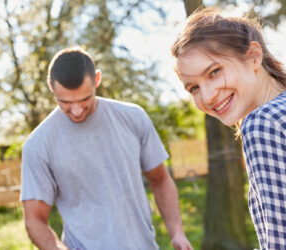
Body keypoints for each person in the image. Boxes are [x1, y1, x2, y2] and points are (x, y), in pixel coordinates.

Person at [171, 7, 286, 249]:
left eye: (214, 72)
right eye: (193, 88)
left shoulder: (264, 123)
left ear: (253, 57)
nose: (207, 97)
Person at [20, 47, 193, 250]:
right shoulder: (38, 144)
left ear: (97, 80)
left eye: (84, 99)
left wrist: (177, 233)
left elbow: (160, 179)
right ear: (51, 86)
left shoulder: (133, 117)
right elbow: (34, 219)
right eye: (65, 102)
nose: (76, 110)